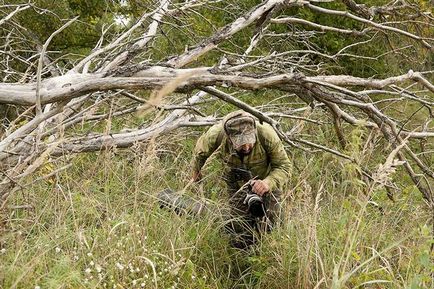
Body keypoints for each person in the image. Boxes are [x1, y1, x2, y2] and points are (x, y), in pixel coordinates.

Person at [191, 110, 291, 249]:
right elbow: (199, 154)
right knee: (239, 226)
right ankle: (243, 255)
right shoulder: (215, 135)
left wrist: (268, 183)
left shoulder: (266, 134)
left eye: (249, 140)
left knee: (273, 223)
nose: (246, 147)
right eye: (240, 143)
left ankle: (269, 253)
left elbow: (284, 166)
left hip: (266, 183)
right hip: (236, 185)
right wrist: (197, 173)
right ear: (229, 138)